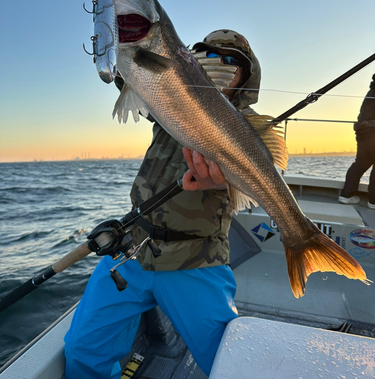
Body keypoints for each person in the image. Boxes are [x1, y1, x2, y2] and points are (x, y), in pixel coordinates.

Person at [64, 30, 261, 378]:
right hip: (131, 250)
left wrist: (227, 179)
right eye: (210, 56)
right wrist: (121, 43)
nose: (221, 65)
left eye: (233, 61)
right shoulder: (169, 102)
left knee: (228, 361)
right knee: (83, 349)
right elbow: (136, 76)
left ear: (247, 76)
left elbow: (263, 175)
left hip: (195, 260)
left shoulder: (250, 130)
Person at [339, 74, 375, 209]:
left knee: (361, 163)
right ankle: (373, 201)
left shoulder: (371, 92)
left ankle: (346, 196)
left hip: (362, 130)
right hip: (373, 129)